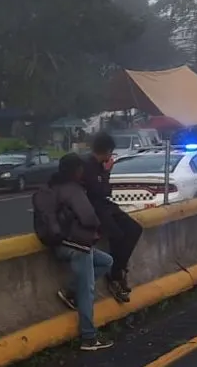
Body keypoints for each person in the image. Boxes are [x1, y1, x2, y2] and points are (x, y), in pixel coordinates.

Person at [41, 154, 115, 351]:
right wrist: (98, 229)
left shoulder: (52, 188)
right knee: (87, 291)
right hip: (78, 247)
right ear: (76, 171)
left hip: (58, 246)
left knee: (106, 261)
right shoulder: (73, 190)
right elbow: (89, 217)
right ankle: (89, 338)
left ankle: (71, 291)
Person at [82, 132, 143, 303]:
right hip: (96, 209)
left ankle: (120, 270)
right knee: (117, 235)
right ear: (107, 151)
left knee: (135, 229)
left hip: (106, 207)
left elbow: (105, 192)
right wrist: (107, 172)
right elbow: (101, 191)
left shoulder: (98, 166)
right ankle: (115, 275)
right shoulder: (88, 167)